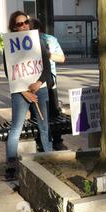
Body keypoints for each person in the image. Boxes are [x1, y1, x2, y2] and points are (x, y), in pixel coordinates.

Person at [4, 11, 53, 180]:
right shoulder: (9, 47)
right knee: (16, 129)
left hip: (40, 89)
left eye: (26, 22)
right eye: (19, 24)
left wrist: (38, 84)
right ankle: (11, 165)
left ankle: (49, 158)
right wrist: (24, 92)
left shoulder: (38, 42)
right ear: (13, 27)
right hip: (20, 93)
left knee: (44, 127)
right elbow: (9, 73)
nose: (24, 26)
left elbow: (46, 69)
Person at [30, 18, 67, 151]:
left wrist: (47, 54)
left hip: (49, 83)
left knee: (53, 113)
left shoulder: (49, 39)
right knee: (36, 115)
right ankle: (41, 142)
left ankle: (56, 141)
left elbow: (62, 58)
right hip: (33, 84)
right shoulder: (26, 41)